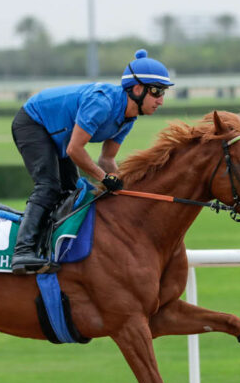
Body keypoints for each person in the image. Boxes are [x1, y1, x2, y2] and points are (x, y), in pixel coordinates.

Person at [10, 49, 173, 274]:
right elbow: (75, 150)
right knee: (48, 187)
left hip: (57, 133)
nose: (161, 101)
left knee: (70, 192)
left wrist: (124, 186)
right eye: (157, 92)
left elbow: (107, 159)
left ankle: (49, 245)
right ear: (137, 89)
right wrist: (104, 179)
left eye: (163, 93)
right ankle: (22, 253)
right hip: (33, 123)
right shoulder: (103, 104)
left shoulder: (128, 118)